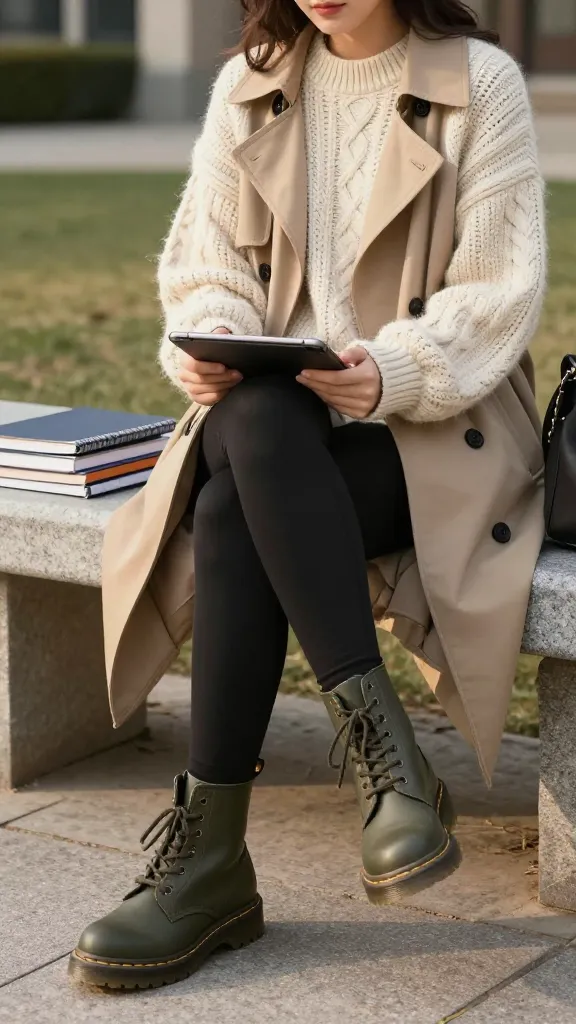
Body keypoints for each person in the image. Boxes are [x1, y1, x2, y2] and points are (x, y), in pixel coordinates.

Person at [69, 0, 547, 991]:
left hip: (430, 431)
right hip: (280, 435)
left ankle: (210, 862)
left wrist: (390, 371)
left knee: (234, 492)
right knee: (252, 436)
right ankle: (390, 770)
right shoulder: (251, 84)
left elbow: (499, 290)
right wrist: (206, 344)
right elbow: (208, 273)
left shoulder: (478, 83)